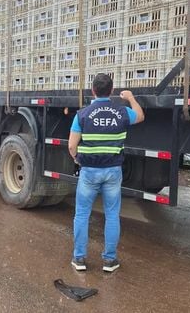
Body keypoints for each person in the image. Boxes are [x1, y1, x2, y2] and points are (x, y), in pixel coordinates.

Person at [68, 73, 145, 272]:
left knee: (82, 215)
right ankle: (110, 261)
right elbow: (140, 115)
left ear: (93, 91)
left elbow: (71, 145)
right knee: (112, 215)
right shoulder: (122, 112)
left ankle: (79, 259)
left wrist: (78, 159)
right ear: (111, 91)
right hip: (113, 171)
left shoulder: (82, 115)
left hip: (89, 172)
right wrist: (130, 97)